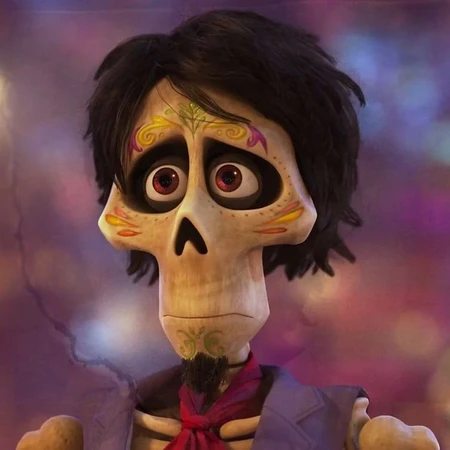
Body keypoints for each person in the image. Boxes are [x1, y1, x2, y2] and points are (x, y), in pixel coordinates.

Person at [17, 10, 439, 450]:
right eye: (164, 182)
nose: (191, 229)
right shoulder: (88, 438)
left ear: (299, 203)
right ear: (120, 217)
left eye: (231, 178)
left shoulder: (347, 434)